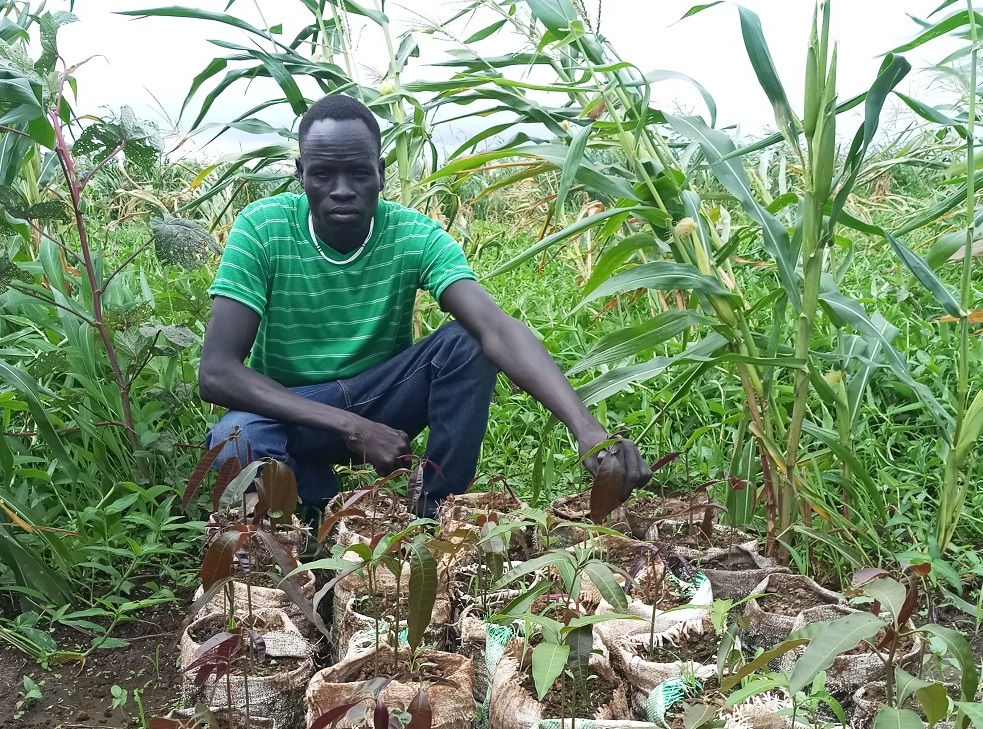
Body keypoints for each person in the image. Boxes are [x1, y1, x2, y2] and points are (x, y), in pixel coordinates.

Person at [199, 93, 650, 517]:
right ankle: (308, 510)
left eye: (358, 174)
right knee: (235, 439)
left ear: (379, 172)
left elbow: (494, 327)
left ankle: (435, 515)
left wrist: (587, 429)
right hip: (291, 410)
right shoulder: (262, 229)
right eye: (323, 174)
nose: (341, 190)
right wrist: (352, 427)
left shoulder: (414, 236)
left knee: (469, 340)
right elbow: (217, 372)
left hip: (380, 397)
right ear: (301, 174)